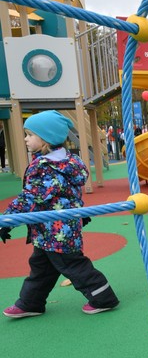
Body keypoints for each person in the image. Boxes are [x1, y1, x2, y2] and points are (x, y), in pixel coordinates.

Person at [1, 111, 119, 318]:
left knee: (73, 265)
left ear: (45, 138)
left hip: (55, 232)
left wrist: (7, 220)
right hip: (57, 229)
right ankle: (31, 302)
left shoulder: (44, 167)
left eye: (29, 134)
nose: (26, 139)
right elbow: (67, 194)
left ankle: (104, 298)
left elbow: (30, 198)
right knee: (41, 267)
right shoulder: (70, 162)